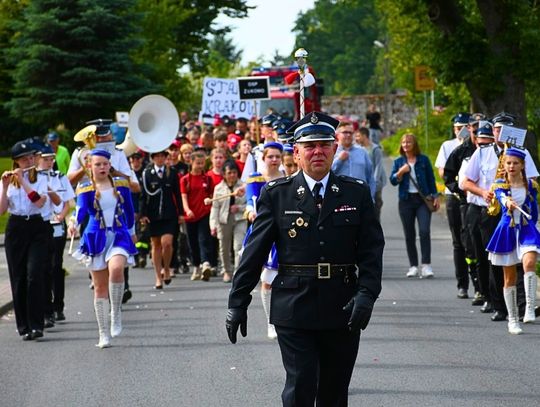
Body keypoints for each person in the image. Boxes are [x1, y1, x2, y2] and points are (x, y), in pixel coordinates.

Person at [226, 112, 384, 406]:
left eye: (324, 144)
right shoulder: (277, 195)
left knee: (334, 392)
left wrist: (367, 293)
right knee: (301, 385)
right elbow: (254, 252)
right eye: (309, 146)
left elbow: (372, 250)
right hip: (294, 304)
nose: (318, 152)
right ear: (295, 153)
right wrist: (237, 301)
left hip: (343, 304)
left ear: (335, 149)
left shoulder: (355, 193)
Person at [462, 114, 538, 322]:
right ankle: (500, 306)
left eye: (505, 129)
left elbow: (532, 180)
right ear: (493, 131)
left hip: (517, 213)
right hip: (489, 211)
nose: (499, 133)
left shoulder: (522, 153)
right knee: (498, 261)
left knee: (523, 259)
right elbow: (465, 182)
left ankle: (524, 306)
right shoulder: (483, 152)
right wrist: (481, 192)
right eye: (496, 129)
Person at [68, 149, 137, 348]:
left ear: (109, 165)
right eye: (97, 164)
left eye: (105, 164)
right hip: (95, 237)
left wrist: (132, 231)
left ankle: (116, 312)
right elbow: (80, 212)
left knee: (116, 269)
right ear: (90, 166)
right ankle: (103, 333)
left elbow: (130, 212)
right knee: (99, 288)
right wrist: (73, 222)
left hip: (119, 235)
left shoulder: (121, 185)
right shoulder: (85, 188)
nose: (102, 167)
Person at [0, 141, 58, 341]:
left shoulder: (40, 178)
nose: (29, 161)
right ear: (16, 162)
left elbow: (39, 201)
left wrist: (23, 181)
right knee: (19, 277)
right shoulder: (7, 181)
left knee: (35, 274)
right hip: (16, 228)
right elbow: (1, 210)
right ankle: (23, 325)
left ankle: (37, 323)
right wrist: (5, 186)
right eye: (25, 159)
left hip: (37, 227)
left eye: (31, 157)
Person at [486, 148, 539, 334]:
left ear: (522, 165)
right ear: (504, 165)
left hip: (526, 228)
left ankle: (530, 308)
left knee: (530, 261)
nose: (512, 166)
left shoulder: (530, 185)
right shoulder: (500, 184)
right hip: (507, 230)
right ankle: (513, 320)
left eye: (516, 163)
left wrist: (536, 224)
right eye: (508, 163)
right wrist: (507, 202)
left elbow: (534, 208)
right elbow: (501, 198)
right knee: (509, 278)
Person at [243, 141, 286, 339]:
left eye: (278, 156)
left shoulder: (288, 178)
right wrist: (251, 211)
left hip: (285, 232)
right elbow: (251, 200)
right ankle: (271, 322)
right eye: (271, 156)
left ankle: (285, 318)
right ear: (264, 158)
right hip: (262, 230)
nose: (275, 160)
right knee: (266, 279)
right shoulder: (255, 178)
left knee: (279, 278)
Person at [390, 133, 440, 278]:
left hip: (422, 200)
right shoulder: (399, 161)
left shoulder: (423, 160)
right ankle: (413, 266)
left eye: (409, 142)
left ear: (414, 144)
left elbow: (431, 179)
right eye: (404, 142)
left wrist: (436, 196)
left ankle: (426, 265)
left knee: (424, 231)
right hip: (405, 201)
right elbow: (393, 181)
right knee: (409, 234)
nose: (406, 144)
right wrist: (401, 171)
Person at [435, 113, 470, 298]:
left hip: (472, 198)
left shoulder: (475, 145)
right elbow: (442, 171)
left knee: (471, 241)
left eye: (464, 127)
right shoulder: (448, 146)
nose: (461, 131)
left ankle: (479, 283)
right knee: (458, 241)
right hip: (454, 195)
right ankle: (462, 284)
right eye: (458, 128)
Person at [139, 150, 183, 289]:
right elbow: (143, 195)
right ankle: (158, 276)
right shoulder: (147, 174)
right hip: (153, 214)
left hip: (169, 213)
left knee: (168, 243)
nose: (159, 159)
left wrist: (181, 213)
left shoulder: (172, 172)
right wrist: (142, 214)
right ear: (152, 158)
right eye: (157, 156)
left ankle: (167, 267)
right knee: (156, 244)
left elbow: (177, 193)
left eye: (162, 156)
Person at [209, 160, 247, 283]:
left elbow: (250, 204)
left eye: (234, 172)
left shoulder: (244, 186)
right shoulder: (218, 188)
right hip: (223, 220)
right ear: (224, 174)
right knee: (224, 247)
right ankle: (226, 270)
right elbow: (215, 207)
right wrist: (213, 225)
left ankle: (238, 271)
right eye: (229, 173)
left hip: (240, 218)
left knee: (238, 245)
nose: (232, 175)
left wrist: (239, 208)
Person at [180, 151, 215, 281]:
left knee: (203, 239)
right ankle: (196, 266)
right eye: (198, 163)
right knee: (192, 242)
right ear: (191, 163)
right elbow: (183, 197)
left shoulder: (207, 179)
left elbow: (212, 195)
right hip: (191, 215)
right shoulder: (185, 180)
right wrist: (187, 210)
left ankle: (206, 263)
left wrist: (211, 203)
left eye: (202, 163)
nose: (200, 166)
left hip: (204, 213)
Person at [331, 122, 376, 199]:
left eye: (350, 133)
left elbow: (370, 178)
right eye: (345, 132)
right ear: (337, 135)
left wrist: (371, 198)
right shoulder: (332, 152)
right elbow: (326, 174)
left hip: (361, 198)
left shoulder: (362, 151)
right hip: (339, 199)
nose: (348, 135)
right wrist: (339, 160)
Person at [355, 126, 386, 220]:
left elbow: (378, 166)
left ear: (364, 136)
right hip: (364, 182)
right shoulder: (358, 149)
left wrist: (374, 183)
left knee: (376, 207)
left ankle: (376, 231)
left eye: (358, 136)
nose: (356, 138)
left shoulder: (375, 149)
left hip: (376, 184)